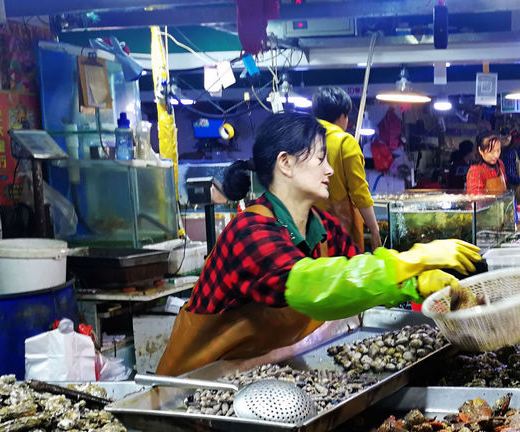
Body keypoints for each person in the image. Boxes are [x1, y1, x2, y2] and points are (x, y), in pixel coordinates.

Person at [156, 113, 479, 376]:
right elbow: (310, 286)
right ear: (285, 163)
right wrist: (412, 259)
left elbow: (356, 276)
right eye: (321, 158)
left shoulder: (322, 228)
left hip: (251, 378)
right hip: (193, 389)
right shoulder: (249, 233)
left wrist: (415, 285)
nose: (329, 170)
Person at [312, 86, 381, 250]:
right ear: (341, 116)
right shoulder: (344, 142)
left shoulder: (301, 138)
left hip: (307, 230)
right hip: (338, 233)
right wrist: (374, 229)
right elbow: (360, 193)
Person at [465, 131, 507, 195]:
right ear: (481, 151)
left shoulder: (500, 164)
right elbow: (475, 197)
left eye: (498, 150)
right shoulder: (475, 171)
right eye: (491, 152)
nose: (496, 155)